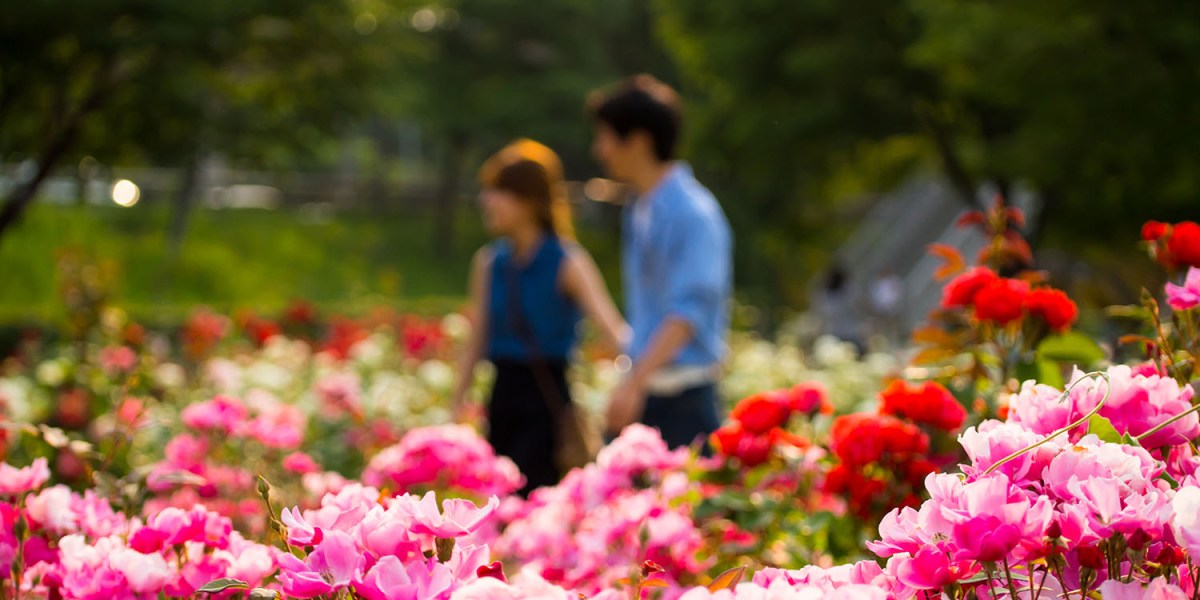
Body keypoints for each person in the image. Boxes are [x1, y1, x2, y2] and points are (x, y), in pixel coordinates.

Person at [450, 139, 628, 496]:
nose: (486, 200)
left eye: (498, 191)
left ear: (529, 200)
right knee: (500, 500)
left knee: (536, 497)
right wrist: (456, 408)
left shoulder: (567, 261)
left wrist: (636, 382)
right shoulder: (490, 263)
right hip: (502, 398)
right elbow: (477, 339)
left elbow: (613, 330)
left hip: (547, 405)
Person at [587, 75, 733, 449]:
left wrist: (633, 383)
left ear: (638, 141)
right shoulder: (640, 208)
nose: (599, 150)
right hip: (646, 392)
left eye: (606, 137)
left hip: (684, 403)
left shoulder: (693, 212)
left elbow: (687, 314)